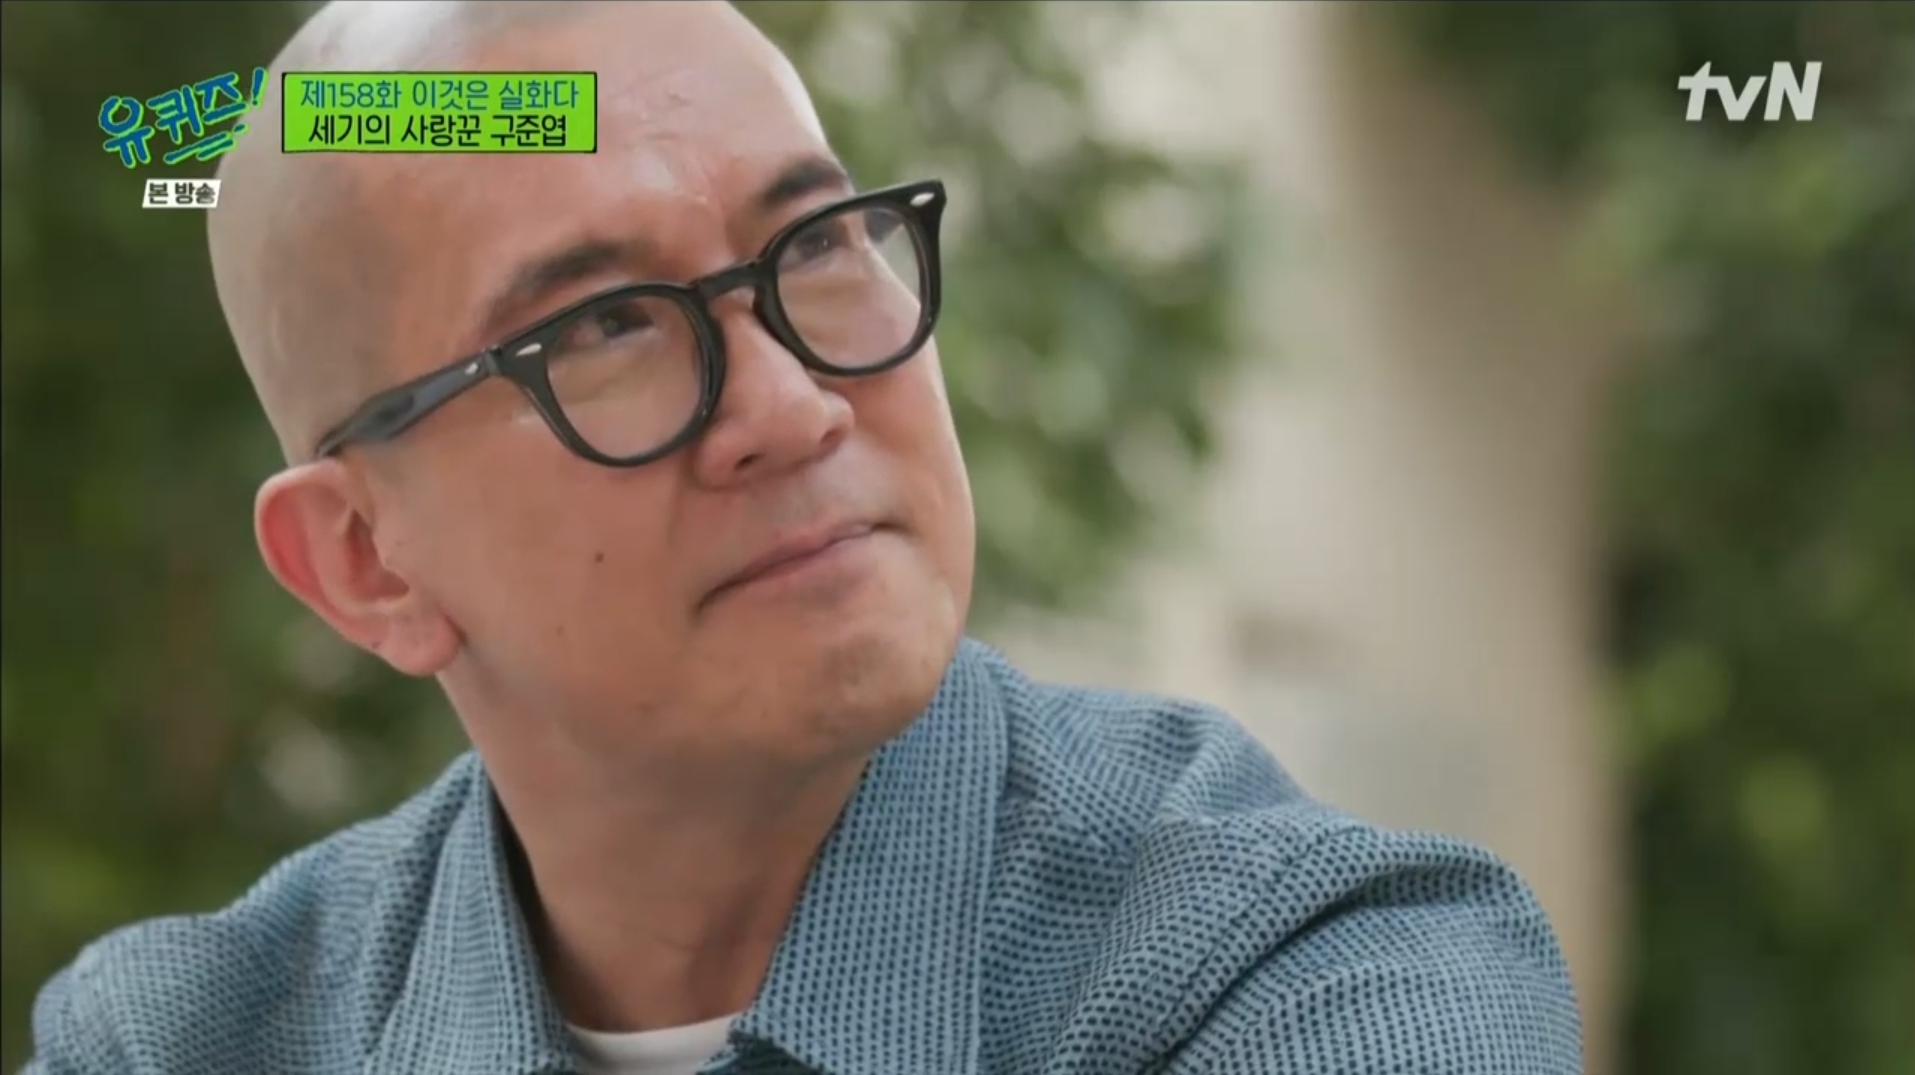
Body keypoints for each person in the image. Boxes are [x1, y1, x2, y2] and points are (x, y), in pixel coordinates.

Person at [27, 2, 1584, 1073]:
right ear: (367, 563)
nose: (789, 404)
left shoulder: (1311, 980)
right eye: (607, 325)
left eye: (820, 243)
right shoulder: (180, 1043)